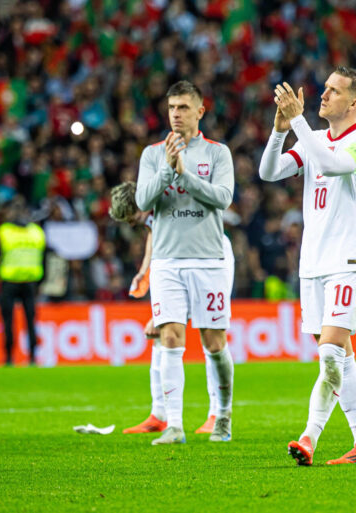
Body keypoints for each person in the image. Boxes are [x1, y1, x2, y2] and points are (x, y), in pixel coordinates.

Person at [260, 67, 356, 466]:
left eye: (334, 90)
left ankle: (309, 437)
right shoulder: (313, 140)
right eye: (325, 88)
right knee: (341, 357)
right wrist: (281, 129)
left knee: (330, 354)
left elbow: (333, 166)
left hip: (348, 259)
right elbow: (269, 172)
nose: (323, 95)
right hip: (312, 263)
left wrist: (298, 122)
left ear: (354, 103)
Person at [135, 80, 235, 444]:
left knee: (213, 342)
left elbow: (223, 198)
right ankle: (175, 425)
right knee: (171, 337)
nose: (175, 114)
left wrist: (185, 175)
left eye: (183, 107)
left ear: (200, 111)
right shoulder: (151, 153)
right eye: (171, 107)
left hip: (208, 260)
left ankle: (222, 415)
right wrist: (167, 168)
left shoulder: (218, 153)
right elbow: (144, 198)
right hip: (167, 261)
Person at [110, 181, 236, 436]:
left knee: (210, 337)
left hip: (210, 258)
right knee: (162, 334)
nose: (132, 224)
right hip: (176, 262)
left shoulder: (167, 199)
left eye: (132, 218)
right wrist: (144, 272)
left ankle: (217, 414)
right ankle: (160, 414)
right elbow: (153, 234)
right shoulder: (151, 211)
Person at [0, 200, 46, 366]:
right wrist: (41, 282)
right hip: (31, 282)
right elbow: (43, 258)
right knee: (31, 320)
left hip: (9, 281)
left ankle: (8, 357)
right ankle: (33, 357)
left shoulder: (4, 232)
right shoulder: (36, 232)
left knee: (8, 321)